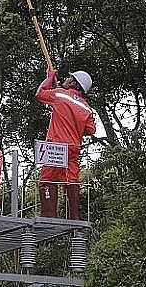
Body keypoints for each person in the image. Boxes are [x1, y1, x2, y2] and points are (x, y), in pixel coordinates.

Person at [36, 69, 96, 220]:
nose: (67, 79)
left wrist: (49, 78)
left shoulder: (60, 94)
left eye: (70, 78)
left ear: (74, 83)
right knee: (72, 180)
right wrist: (74, 123)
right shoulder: (86, 107)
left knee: (47, 179)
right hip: (74, 148)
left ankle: (48, 217)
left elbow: (40, 93)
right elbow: (91, 129)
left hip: (56, 145)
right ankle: (74, 218)